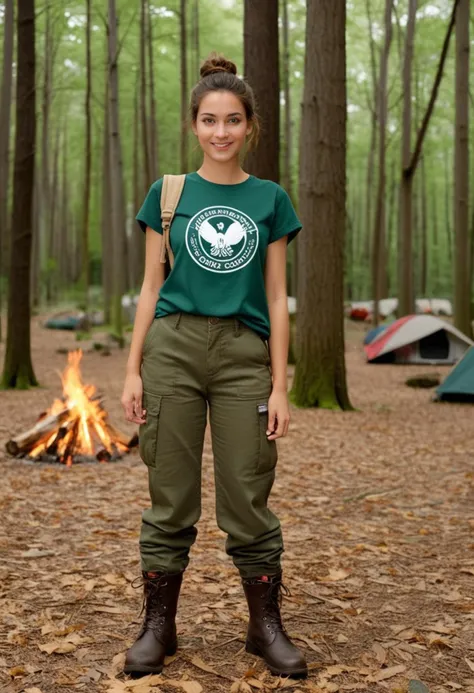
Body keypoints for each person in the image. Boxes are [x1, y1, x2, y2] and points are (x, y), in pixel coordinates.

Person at [121, 52, 307, 680]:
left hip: (243, 356)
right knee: (169, 495)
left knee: (247, 492)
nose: (221, 131)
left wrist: (282, 386)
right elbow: (150, 287)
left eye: (233, 120)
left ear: (250, 126)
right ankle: (158, 625)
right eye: (209, 120)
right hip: (170, 349)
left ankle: (264, 626)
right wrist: (131, 371)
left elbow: (279, 297)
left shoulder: (270, 199)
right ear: (194, 125)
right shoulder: (169, 194)